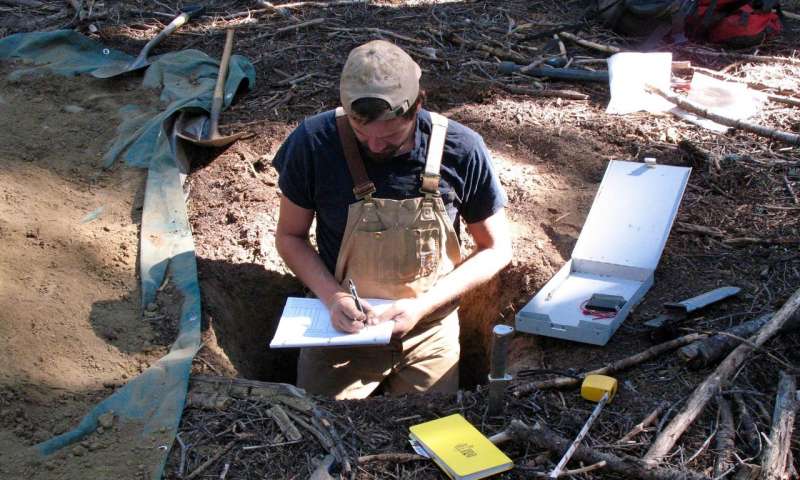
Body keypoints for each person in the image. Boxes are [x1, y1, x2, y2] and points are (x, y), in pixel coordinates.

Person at [272, 40, 511, 399]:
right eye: (361, 134)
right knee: (322, 427)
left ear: (418, 105)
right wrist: (333, 298)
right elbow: (290, 236)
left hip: (428, 328)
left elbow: (496, 248)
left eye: (390, 137)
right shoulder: (313, 144)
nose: (375, 147)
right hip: (340, 330)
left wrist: (422, 307)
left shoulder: (461, 149)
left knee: (430, 432)